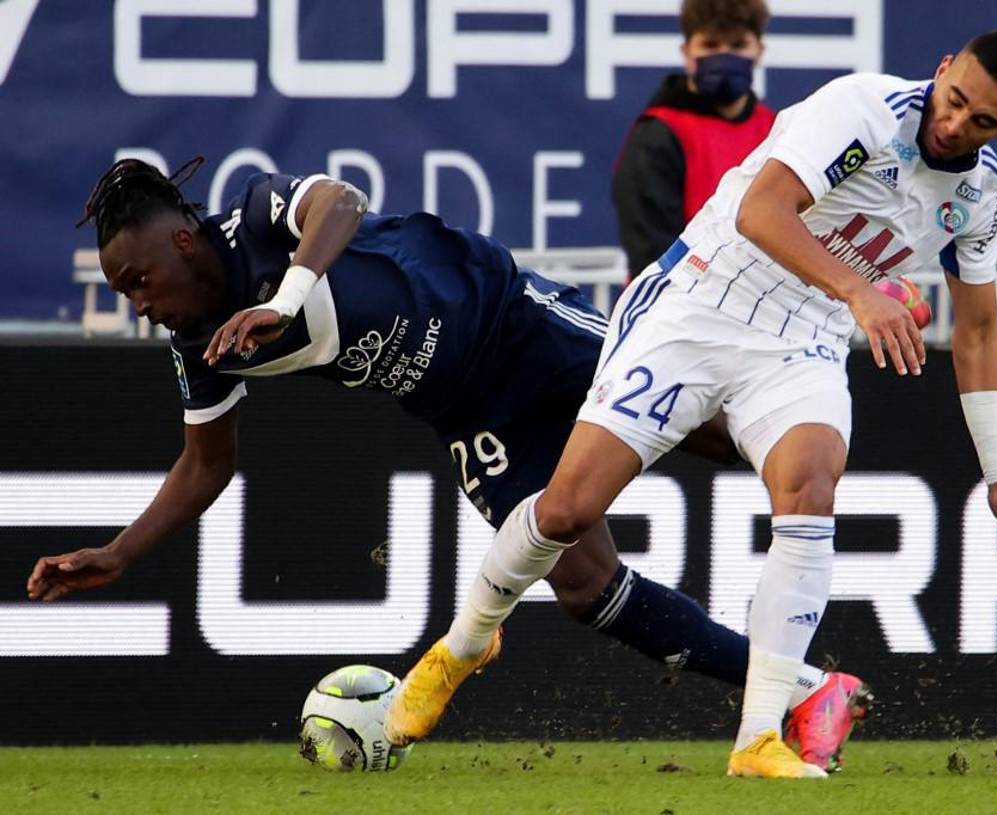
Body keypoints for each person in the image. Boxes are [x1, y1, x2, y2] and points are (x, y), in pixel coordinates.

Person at [25, 157, 867, 769]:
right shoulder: (199, 348)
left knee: (702, 426)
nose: (139, 303)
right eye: (125, 293)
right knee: (581, 588)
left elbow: (341, 202)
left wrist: (282, 299)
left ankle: (807, 447)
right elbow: (205, 465)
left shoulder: (252, 212)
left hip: (511, 319)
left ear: (182, 238)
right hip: (467, 410)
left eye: (139, 278)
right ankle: (803, 695)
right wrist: (120, 552)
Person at [398, 30, 997, 779]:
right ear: (941, 70)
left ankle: (759, 737)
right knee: (569, 509)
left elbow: (979, 330)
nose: (955, 125)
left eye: (983, 122)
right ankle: (462, 647)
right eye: (956, 99)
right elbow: (762, 212)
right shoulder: (862, 109)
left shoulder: (979, 194)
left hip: (803, 339)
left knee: (811, 485)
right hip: (698, 304)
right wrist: (862, 291)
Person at [613, 0, 774, 279]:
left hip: (763, 306)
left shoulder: (776, 129)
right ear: (687, 52)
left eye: (737, 45)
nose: (724, 56)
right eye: (710, 45)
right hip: (678, 307)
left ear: (759, 51)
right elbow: (652, 253)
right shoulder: (658, 134)